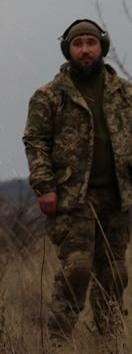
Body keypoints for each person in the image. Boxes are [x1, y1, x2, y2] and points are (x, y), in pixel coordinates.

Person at [23, 19, 132, 337]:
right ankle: (58, 343)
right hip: (72, 197)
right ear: (67, 49)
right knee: (78, 269)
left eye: (91, 43)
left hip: (117, 196)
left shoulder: (125, 94)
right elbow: (36, 142)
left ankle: (111, 344)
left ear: (102, 47)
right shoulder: (50, 95)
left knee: (114, 273)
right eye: (78, 44)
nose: (85, 50)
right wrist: (44, 187)